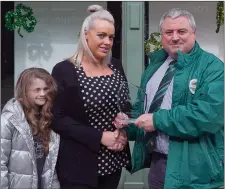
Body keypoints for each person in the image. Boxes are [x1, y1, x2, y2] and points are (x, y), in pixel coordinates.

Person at [114, 8, 224, 189]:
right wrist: (130, 123)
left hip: (196, 169)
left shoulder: (213, 68)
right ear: (161, 35)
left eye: (181, 31)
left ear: (194, 33)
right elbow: (144, 110)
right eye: (168, 32)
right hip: (158, 164)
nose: (174, 37)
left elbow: (208, 115)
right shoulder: (154, 67)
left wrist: (157, 120)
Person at [51, 5, 131, 189]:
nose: (107, 42)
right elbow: (57, 119)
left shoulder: (116, 66)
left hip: (113, 161)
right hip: (77, 165)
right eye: (101, 35)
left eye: (111, 37)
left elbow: (125, 105)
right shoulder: (65, 70)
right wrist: (99, 136)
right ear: (85, 34)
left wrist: (124, 124)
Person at [1, 68, 60, 189]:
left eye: (46, 89)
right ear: (25, 91)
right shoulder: (10, 119)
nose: (43, 94)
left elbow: (51, 164)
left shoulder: (48, 116)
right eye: (37, 90)